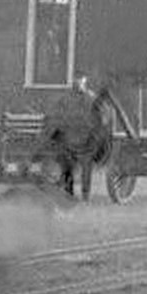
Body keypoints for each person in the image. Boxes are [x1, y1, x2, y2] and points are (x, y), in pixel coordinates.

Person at [46, 72, 109, 201]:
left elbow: (103, 117)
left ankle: (85, 195)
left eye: (80, 80)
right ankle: (68, 193)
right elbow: (57, 114)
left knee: (86, 167)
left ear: (85, 81)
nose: (77, 82)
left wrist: (96, 132)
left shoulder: (92, 98)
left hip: (86, 139)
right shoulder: (66, 98)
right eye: (75, 80)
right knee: (66, 166)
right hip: (69, 137)